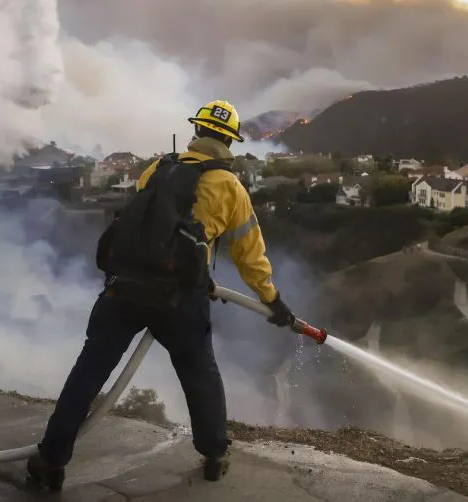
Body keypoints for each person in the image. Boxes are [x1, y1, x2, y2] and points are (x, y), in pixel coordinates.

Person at [26, 99, 296, 491]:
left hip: (124, 288)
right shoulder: (231, 188)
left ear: (197, 131)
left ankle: (50, 460)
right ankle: (214, 454)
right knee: (199, 374)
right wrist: (272, 300)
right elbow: (250, 257)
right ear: (229, 142)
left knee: (90, 370)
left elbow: (149, 227)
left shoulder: (157, 168)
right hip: (179, 299)